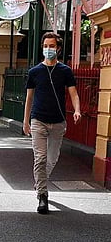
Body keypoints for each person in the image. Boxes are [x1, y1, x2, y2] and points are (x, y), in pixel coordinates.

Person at [23, 32, 81, 214]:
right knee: (40, 158)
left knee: (52, 158)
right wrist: (25, 122)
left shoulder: (65, 71)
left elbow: (73, 93)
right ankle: (42, 194)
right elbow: (29, 98)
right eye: (46, 46)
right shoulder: (34, 72)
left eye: (52, 46)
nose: (48, 49)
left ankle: (40, 181)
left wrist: (77, 109)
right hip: (38, 120)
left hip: (58, 122)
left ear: (58, 48)